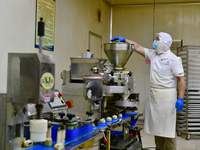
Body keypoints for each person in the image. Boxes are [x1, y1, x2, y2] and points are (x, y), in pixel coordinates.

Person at [111, 32, 185, 150]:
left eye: (157, 39)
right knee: (158, 129)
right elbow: (137, 47)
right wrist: (124, 39)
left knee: (168, 131)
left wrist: (180, 98)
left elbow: (181, 80)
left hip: (167, 98)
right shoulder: (153, 54)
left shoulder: (174, 59)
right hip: (154, 97)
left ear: (164, 43)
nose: (154, 41)